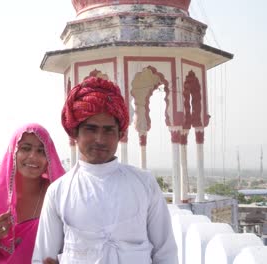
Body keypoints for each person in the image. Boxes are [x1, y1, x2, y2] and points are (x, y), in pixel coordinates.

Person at [33, 77, 178, 264]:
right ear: (75, 133)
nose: (100, 139)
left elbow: (166, 253)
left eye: (108, 130)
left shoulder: (144, 184)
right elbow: (43, 257)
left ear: (120, 134)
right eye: (90, 129)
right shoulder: (59, 191)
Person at [0, 123, 66, 263]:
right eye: (25, 148)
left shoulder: (61, 196)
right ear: (13, 152)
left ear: (49, 157)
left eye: (41, 151)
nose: (33, 156)